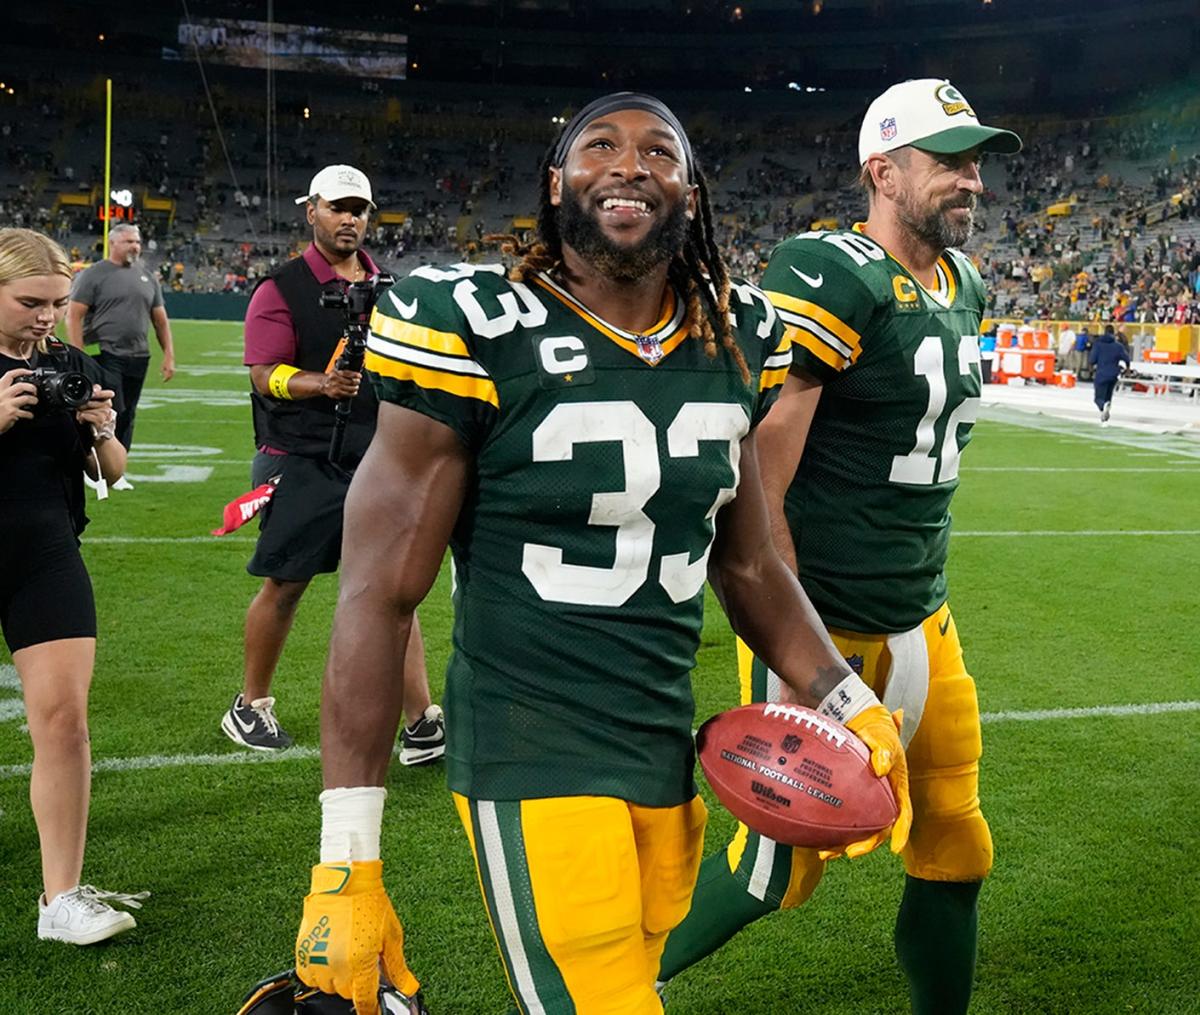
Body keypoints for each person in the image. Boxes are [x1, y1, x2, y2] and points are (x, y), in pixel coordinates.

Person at [291, 93, 910, 1015]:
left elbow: (747, 566)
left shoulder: (734, 337)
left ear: (691, 194)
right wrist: (347, 856)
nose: (630, 164)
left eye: (661, 150)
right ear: (556, 184)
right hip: (529, 745)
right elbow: (378, 595)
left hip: (663, 746)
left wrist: (847, 698)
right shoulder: (470, 323)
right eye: (601, 147)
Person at [657, 79, 1022, 1015]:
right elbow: (761, 487)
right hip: (828, 623)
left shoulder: (963, 283)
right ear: (882, 170)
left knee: (956, 842)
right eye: (948, 161)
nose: (971, 181)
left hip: (924, 619)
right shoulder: (832, 273)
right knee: (771, 874)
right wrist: (804, 663)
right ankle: (591, 987)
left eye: (976, 161)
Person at [222, 165, 444, 758]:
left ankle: (421, 718)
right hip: (299, 455)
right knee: (287, 584)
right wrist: (321, 385)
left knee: (395, 588)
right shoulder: (280, 289)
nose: (350, 219)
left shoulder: (392, 289)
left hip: (376, 456)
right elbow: (264, 374)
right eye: (338, 207)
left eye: (359, 209)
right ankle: (249, 705)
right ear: (311, 211)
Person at [0, 228, 147, 943]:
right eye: (31, 301)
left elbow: (112, 472)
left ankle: (59, 899)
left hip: (45, 554)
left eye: (57, 303)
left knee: (64, 721)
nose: (46, 316)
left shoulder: (70, 361)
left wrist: (101, 429)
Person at [65, 223, 175, 489]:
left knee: (128, 414)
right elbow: (74, 314)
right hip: (106, 352)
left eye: (137, 241)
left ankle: (117, 467)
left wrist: (169, 355)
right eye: (129, 241)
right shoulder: (94, 274)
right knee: (113, 409)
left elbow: (160, 320)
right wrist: (79, 356)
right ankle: (96, 465)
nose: (135, 246)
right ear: (112, 243)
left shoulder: (147, 275)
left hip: (139, 354)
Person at [1089, 323, 1131, 426]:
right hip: (1113, 375)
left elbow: (1092, 360)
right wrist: (1127, 368)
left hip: (1101, 373)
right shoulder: (1118, 346)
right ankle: (1105, 413)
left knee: (1098, 398)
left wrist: (1091, 369)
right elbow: (1126, 359)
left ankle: (1103, 407)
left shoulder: (1098, 344)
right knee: (1108, 395)